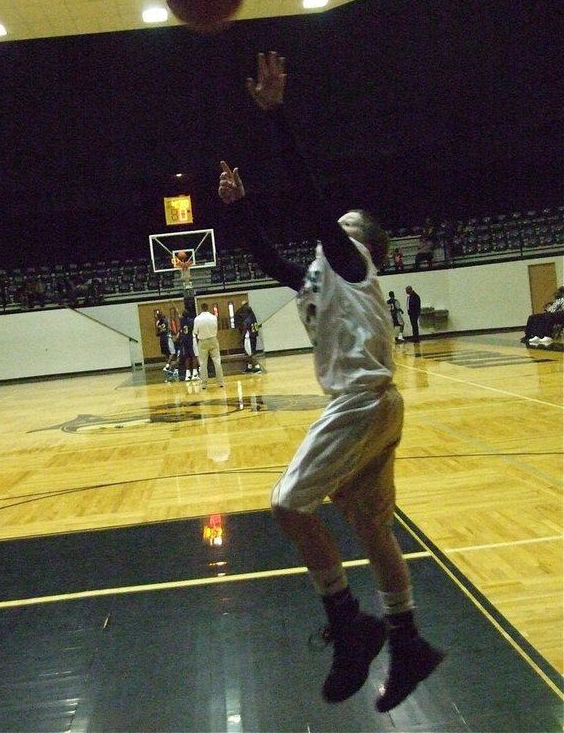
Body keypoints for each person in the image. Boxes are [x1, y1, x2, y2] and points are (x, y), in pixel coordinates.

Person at [218, 52, 443, 711]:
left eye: (343, 230)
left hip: (359, 403)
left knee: (289, 506)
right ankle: (408, 643)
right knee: (371, 527)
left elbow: (313, 199)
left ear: (362, 247)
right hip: (381, 405)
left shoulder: (349, 264)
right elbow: (267, 259)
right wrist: (238, 209)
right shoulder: (320, 277)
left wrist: (276, 117)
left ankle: (352, 626)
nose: (331, 234)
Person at [193, 302, 225, 389]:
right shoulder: (213, 317)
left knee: (203, 363)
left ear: (201, 308)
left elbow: (195, 332)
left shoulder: (197, 319)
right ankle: (220, 382)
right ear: (208, 308)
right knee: (217, 361)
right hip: (213, 339)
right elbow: (215, 328)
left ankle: (204, 384)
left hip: (203, 341)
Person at [178, 308, 200, 381]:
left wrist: (177, 311)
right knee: (193, 356)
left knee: (186, 357)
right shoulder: (191, 321)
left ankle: (187, 375)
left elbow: (179, 316)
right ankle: (194, 373)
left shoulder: (181, 320)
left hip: (184, 340)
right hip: (190, 339)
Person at [241, 304, 262, 373]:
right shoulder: (254, 319)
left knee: (251, 353)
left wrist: (241, 338)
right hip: (253, 337)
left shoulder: (247, 321)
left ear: (246, 312)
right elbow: (256, 329)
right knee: (249, 353)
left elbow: (244, 331)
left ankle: (257, 367)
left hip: (249, 338)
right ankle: (249, 367)